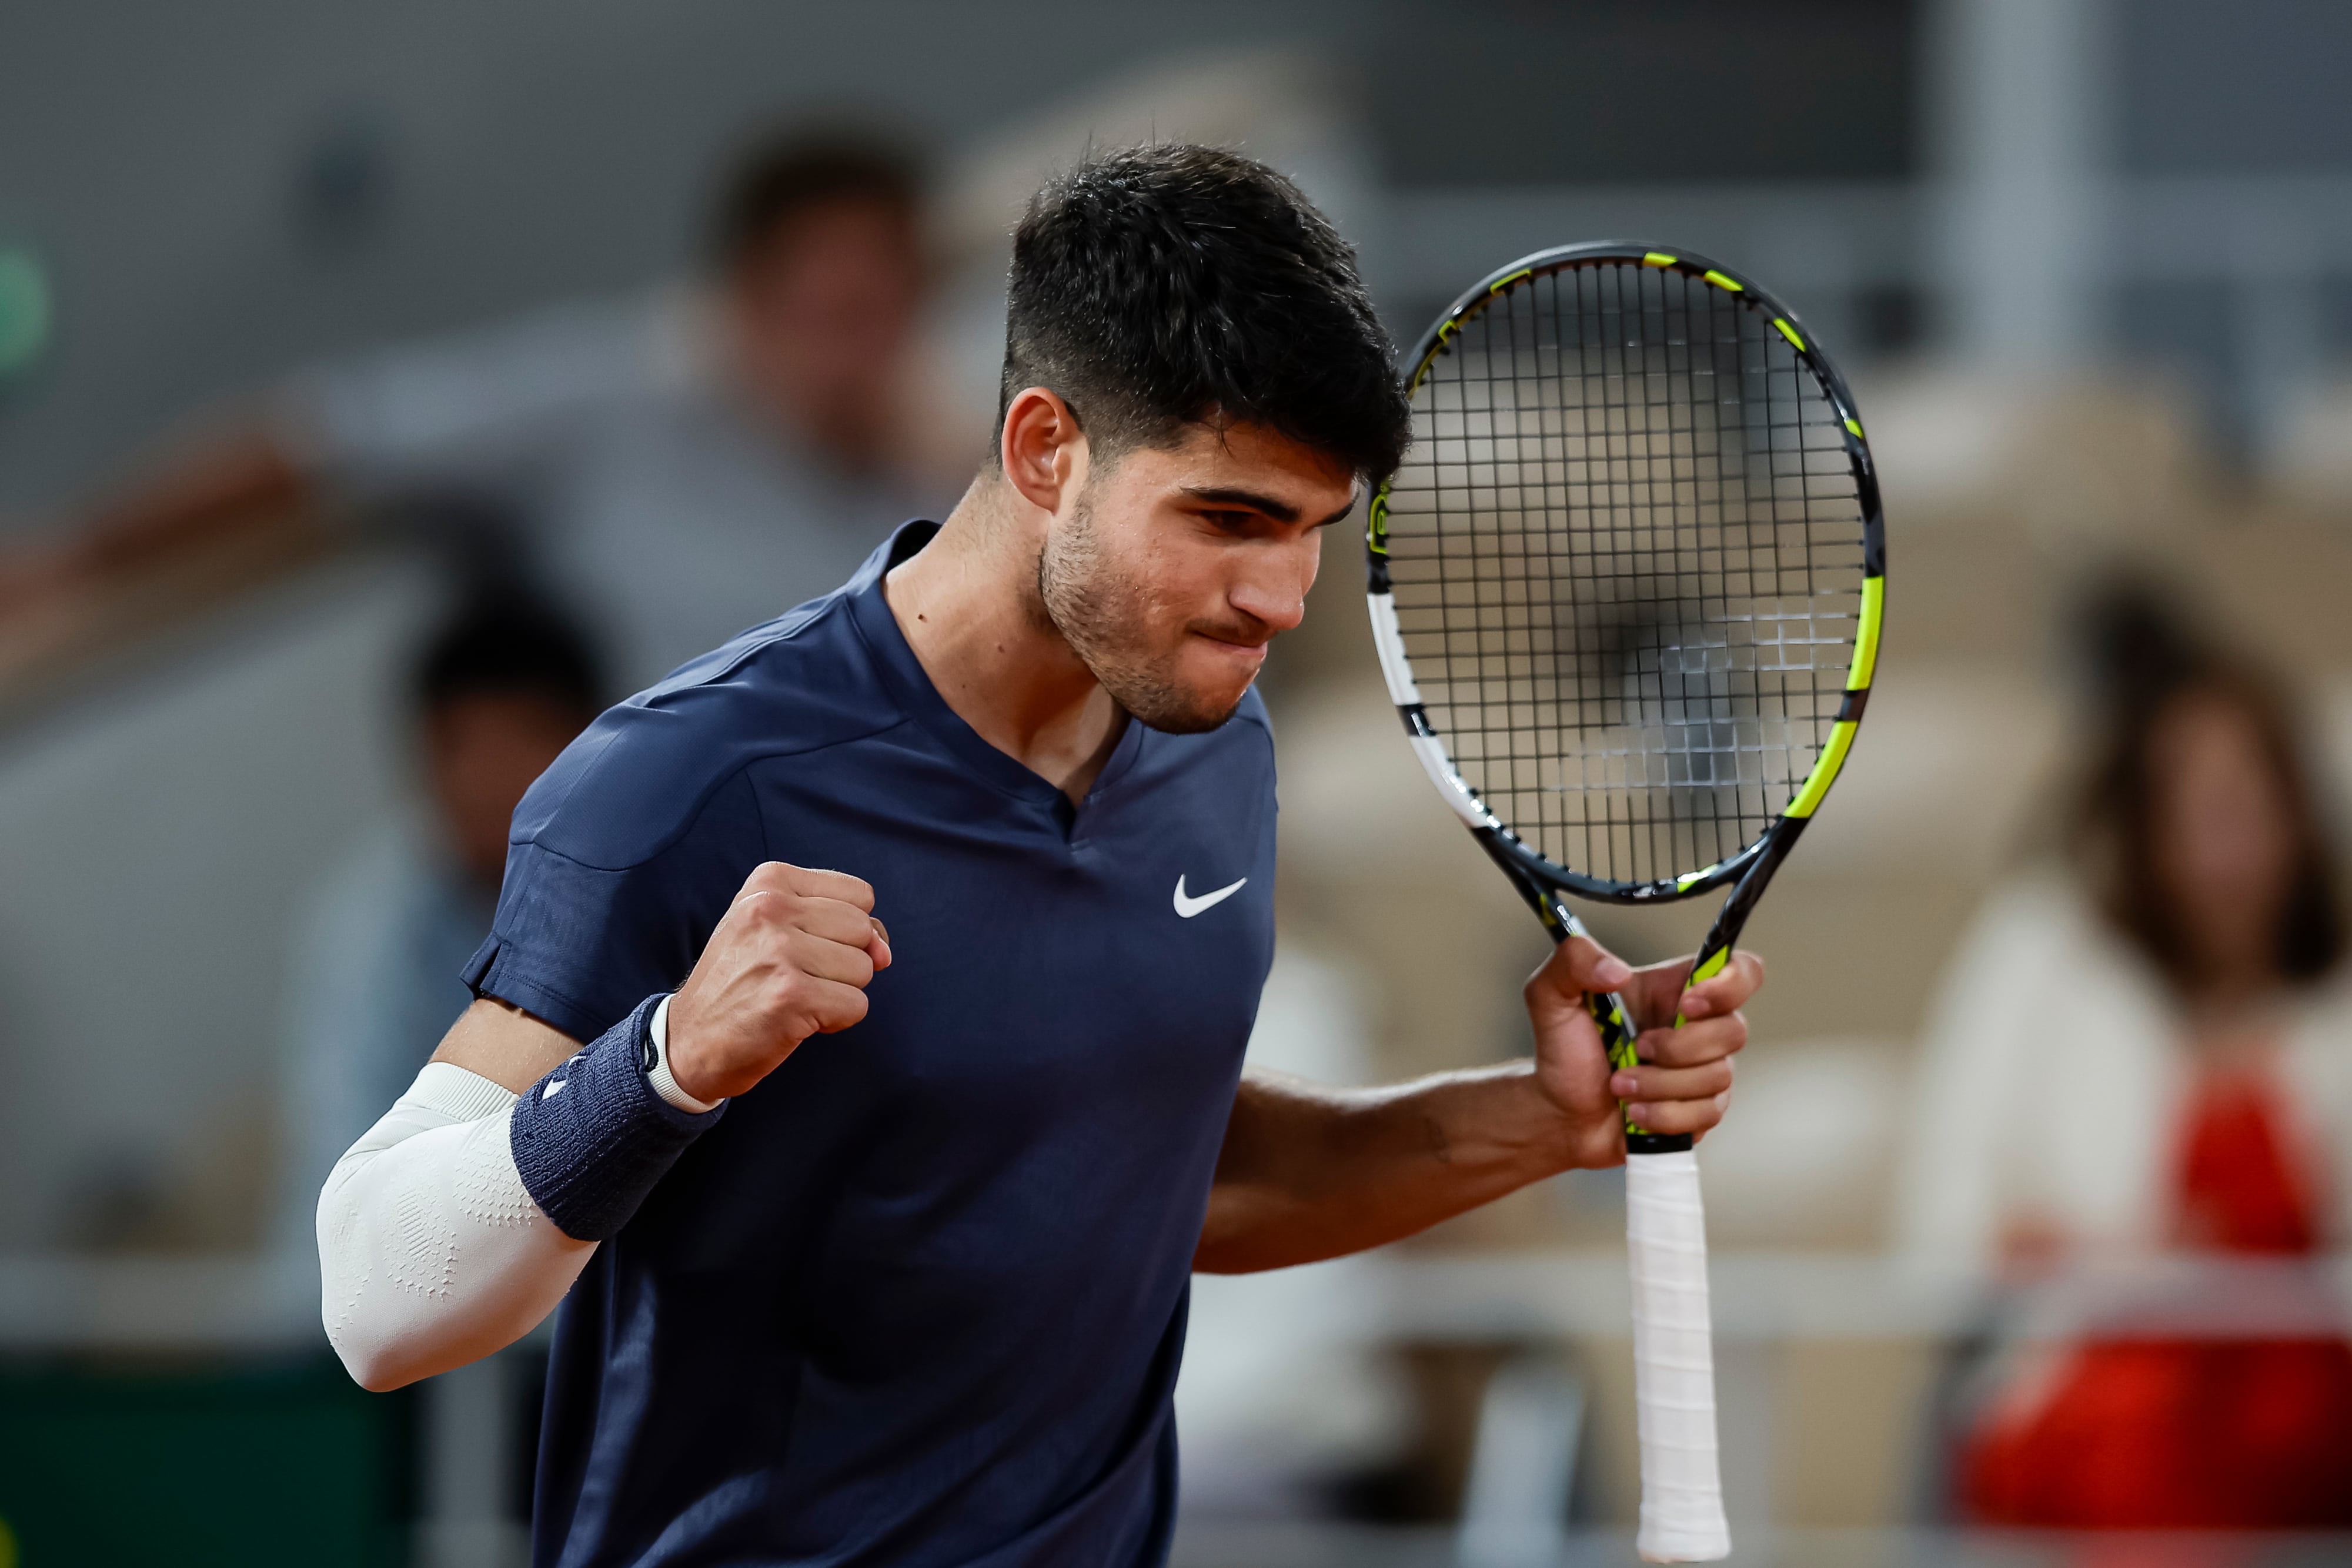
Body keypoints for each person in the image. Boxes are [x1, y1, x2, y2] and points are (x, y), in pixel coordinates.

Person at [312, 146, 1763, 1567]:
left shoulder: (1218, 756)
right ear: (1045, 450)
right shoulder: (686, 782)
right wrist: (665, 1062)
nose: (1280, 598)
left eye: (1315, 531)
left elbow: (1161, 1178)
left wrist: (1541, 1118)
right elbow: (380, 1301)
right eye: (1227, 519)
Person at [2, 128, 941, 687]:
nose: (853, 356)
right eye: (829, 316)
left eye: (882, 313)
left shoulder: (950, 474)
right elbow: (322, 438)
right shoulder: (604, 404)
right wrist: (79, 557)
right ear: (744, 299)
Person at [1897, 585, 2352, 1528]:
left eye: (2249, 798)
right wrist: (2139, 1265)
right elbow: (1952, 1238)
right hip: (2101, 1437)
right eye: (2194, 804)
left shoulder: (2332, 1010)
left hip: (2312, 1456)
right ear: (2142, 825)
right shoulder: (2043, 959)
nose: (2224, 836)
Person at [273, 586, 604, 1256]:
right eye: (458, 747)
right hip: (394, 1294)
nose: (486, 779)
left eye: (519, 741)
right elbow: (346, 1169)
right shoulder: (373, 925)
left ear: (594, 742)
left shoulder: (660, 893)